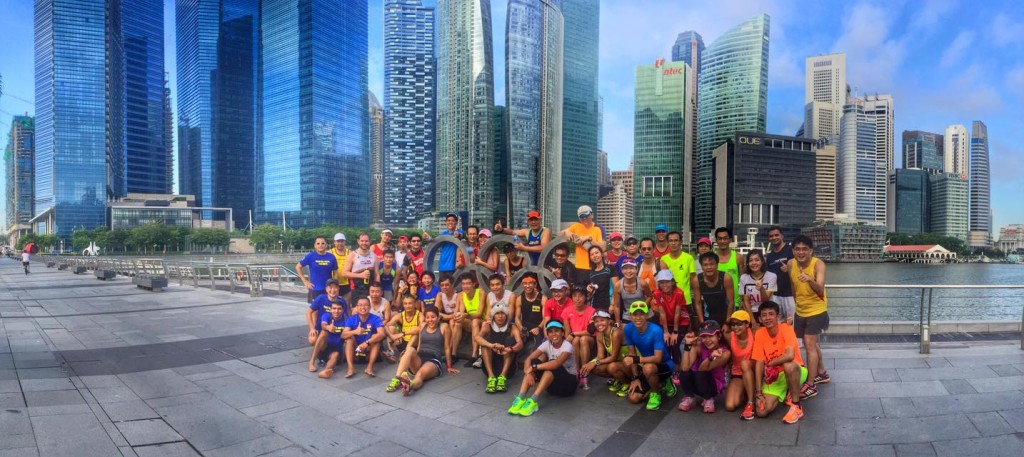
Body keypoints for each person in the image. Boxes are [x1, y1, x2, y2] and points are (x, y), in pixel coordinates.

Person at [788, 235, 830, 399]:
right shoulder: (791, 264)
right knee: (809, 343)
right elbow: (793, 286)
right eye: (797, 249)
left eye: (805, 249)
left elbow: (820, 289)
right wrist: (796, 305)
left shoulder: (818, 264)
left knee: (810, 344)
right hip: (801, 310)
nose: (801, 252)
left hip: (817, 310)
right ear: (793, 251)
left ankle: (811, 384)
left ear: (811, 250)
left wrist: (809, 279)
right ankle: (822, 373)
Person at [507, 321, 578, 416]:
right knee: (534, 362)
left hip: (568, 386)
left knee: (551, 365)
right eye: (551, 331)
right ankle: (520, 398)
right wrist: (528, 373)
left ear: (562, 332)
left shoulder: (567, 346)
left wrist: (534, 368)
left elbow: (557, 363)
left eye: (557, 331)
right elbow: (529, 358)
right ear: (547, 334)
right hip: (552, 387)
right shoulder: (547, 344)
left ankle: (533, 401)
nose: (554, 334)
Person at [752, 301, 807, 424]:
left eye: (771, 314)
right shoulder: (760, 334)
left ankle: (796, 406)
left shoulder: (786, 329)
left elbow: (789, 355)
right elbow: (759, 363)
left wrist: (770, 363)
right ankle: (788, 391)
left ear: (778, 316)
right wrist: (758, 392)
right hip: (775, 377)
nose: (768, 318)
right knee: (762, 411)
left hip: (795, 370)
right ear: (760, 319)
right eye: (764, 315)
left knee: (788, 364)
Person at [386, 307, 460, 395]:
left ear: (438, 317)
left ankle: (410, 385)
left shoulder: (444, 327)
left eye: (433, 317)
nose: (430, 320)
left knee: (420, 375)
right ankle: (397, 379)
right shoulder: (422, 326)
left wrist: (449, 366)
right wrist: (410, 357)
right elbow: (420, 344)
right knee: (409, 349)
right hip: (420, 357)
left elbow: (447, 347)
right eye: (427, 317)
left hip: (433, 360)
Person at [622, 301, 677, 410]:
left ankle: (656, 393)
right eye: (635, 314)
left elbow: (658, 358)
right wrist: (635, 377)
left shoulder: (656, 330)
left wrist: (635, 360)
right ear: (630, 316)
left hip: (665, 364)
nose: (638, 318)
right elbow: (632, 353)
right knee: (633, 398)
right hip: (646, 364)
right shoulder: (627, 329)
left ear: (647, 315)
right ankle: (660, 384)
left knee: (648, 367)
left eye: (641, 314)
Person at [677, 320, 731, 413]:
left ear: (719, 336)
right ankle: (689, 397)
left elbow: (703, 369)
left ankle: (709, 399)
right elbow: (685, 368)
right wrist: (687, 345)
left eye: (710, 336)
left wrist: (710, 357)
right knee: (684, 373)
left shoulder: (725, 353)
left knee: (700, 374)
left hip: (712, 386)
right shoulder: (698, 345)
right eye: (704, 337)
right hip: (697, 381)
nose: (707, 340)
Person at [580, 310, 629, 396]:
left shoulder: (616, 333)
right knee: (592, 368)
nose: (599, 324)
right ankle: (619, 379)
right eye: (596, 321)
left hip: (631, 364)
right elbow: (600, 356)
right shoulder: (599, 335)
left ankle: (627, 383)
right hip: (619, 362)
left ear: (609, 321)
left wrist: (595, 362)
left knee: (611, 367)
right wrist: (589, 364)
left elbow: (613, 357)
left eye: (602, 320)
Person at [477, 302, 523, 393]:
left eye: (502, 313)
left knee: (511, 341)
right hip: (490, 367)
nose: (500, 316)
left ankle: (502, 377)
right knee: (485, 344)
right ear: (494, 315)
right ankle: (491, 378)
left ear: (506, 315)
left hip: (508, 368)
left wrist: (510, 349)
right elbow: (477, 338)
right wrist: (491, 346)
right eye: (497, 313)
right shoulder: (487, 326)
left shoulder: (512, 327)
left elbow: (520, 343)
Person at [651, 269, 689, 376]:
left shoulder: (679, 293)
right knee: (666, 343)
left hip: (681, 321)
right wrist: (666, 332)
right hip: (666, 321)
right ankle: (668, 368)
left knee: (675, 344)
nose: (664, 285)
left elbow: (678, 313)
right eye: (661, 282)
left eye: (667, 281)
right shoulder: (657, 293)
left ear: (672, 281)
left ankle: (677, 369)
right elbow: (662, 313)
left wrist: (675, 332)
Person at [659, 231, 698, 327]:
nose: (673, 243)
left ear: (680, 242)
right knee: (671, 328)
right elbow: (664, 282)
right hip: (670, 301)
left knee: (688, 330)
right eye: (671, 241)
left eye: (676, 240)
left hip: (686, 300)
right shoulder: (663, 259)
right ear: (667, 243)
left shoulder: (688, 258)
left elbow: (693, 280)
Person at [724, 310, 757, 420]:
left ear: (747, 324)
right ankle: (745, 393)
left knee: (744, 363)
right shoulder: (729, 336)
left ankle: (750, 402)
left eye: (739, 323)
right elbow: (714, 340)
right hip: (738, 373)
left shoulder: (755, 333)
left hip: (754, 370)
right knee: (730, 405)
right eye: (733, 324)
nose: (735, 327)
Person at [562, 284, 596, 389]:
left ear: (586, 297)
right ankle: (577, 371)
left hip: (589, 339)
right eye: (575, 295)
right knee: (577, 339)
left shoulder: (592, 311)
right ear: (571, 297)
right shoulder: (567, 311)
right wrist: (572, 335)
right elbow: (568, 333)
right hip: (574, 340)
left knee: (583, 339)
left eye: (581, 295)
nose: (577, 298)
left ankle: (584, 372)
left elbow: (590, 331)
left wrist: (574, 333)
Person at [342, 297, 386, 378]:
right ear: (357, 307)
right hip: (355, 351)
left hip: (368, 350)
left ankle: (369, 367)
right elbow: (343, 335)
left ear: (369, 307)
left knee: (376, 338)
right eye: (360, 305)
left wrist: (366, 343)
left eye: (366, 305)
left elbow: (382, 333)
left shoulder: (375, 318)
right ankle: (351, 368)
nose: (363, 307)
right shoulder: (351, 319)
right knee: (349, 339)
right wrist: (355, 332)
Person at [561, 205, 606, 283]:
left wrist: (589, 238)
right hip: (579, 268)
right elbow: (559, 235)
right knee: (580, 292)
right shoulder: (576, 227)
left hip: (595, 267)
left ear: (592, 215)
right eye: (582, 217)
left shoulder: (598, 228)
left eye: (586, 215)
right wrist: (566, 232)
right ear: (579, 218)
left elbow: (603, 248)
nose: (584, 218)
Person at [693, 252, 735, 327]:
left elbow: (731, 302)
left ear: (717, 265)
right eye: (705, 265)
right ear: (702, 267)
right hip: (708, 315)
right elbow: (698, 303)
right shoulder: (697, 280)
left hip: (725, 315)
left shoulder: (726, 278)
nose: (709, 267)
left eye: (711, 264)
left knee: (727, 336)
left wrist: (727, 323)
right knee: (708, 337)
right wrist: (702, 323)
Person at [765, 226, 796, 324]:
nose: (774, 238)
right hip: (775, 296)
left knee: (792, 324)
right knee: (777, 324)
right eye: (771, 236)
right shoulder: (770, 256)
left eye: (776, 235)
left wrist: (789, 270)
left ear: (782, 236)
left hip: (790, 296)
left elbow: (802, 269)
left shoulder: (791, 250)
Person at [309, 301, 348, 379]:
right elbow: (323, 325)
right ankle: (311, 362)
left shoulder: (346, 319)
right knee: (324, 332)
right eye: (334, 308)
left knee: (335, 355)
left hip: (337, 349)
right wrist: (328, 327)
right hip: (324, 346)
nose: (336, 311)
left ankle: (326, 371)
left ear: (343, 310)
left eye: (339, 309)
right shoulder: (326, 315)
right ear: (330, 309)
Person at [739, 249, 777, 327]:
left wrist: (761, 289)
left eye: (757, 260)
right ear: (748, 263)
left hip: (767, 312)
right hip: (751, 312)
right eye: (751, 260)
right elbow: (746, 302)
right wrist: (753, 321)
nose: (754, 263)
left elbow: (766, 300)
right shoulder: (744, 278)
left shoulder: (771, 276)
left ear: (762, 262)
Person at [455, 274, 486, 368]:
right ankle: (453, 354)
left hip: (481, 321)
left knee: (475, 321)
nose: (466, 286)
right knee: (455, 322)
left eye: (468, 283)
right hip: (470, 320)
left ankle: (474, 355)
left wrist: (466, 315)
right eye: (463, 284)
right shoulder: (461, 295)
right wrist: (458, 316)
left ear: (473, 284)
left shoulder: (480, 293)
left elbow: (480, 314)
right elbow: (460, 311)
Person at [306, 279, 347, 346]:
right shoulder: (320, 298)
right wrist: (312, 328)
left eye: (335, 288)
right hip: (321, 327)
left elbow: (346, 316)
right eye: (330, 288)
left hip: (337, 329)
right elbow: (308, 312)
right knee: (312, 340)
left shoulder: (342, 300)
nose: (333, 290)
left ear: (338, 289)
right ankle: (321, 349)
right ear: (326, 289)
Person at [296, 236, 338, 303]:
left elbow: (335, 272)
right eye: (318, 243)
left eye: (322, 243)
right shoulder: (310, 256)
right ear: (315, 246)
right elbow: (298, 267)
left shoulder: (331, 257)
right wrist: (305, 281)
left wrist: (334, 285)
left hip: (328, 289)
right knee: (314, 311)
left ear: (326, 245)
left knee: (329, 310)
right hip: (315, 289)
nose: (320, 245)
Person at [515, 272, 546, 357]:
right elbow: (517, 318)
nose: (527, 286)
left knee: (537, 349)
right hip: (525, 327)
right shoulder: (519, 299)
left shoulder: (543, 298)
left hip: (538, 327)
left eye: (530, 283)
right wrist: (521, 328)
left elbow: (545, 318)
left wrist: (539, 328)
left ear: (535, 284)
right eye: (525, 283)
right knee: (514, 341)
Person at [714, 227, 745, 309]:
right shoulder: (712, 258)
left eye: (725, 238)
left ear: (730, 240)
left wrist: (743, 300)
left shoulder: (738, 257)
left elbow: (743, 280)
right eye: (719, 239)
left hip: (736, 303)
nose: (722, 241)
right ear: (716, 241)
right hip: (716, 302)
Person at [343, 233, 378, 304]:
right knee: (356, 310)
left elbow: (377, 274)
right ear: (358, 241)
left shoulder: (374, 256)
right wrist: (360, 275)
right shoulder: (352, 255)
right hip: (356, 288)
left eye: (366, 241)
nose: (364, 243)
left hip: (370, 289)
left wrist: (377, 288)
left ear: (370, 242)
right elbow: (344, 273)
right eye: (362, 241)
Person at [425, 212, 463, 278]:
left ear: (456, 223)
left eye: (453, 221)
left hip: (453, 267)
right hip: (442, 266)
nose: (450, 222)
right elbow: (435, 242)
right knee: (443, 286)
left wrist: (458, 235)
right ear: (446, 222)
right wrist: (428, 238)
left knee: (453, 286)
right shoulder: (443, 233)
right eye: (448, 220)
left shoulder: (459, 231)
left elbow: (461, 236)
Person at [586, 245, 615, 318]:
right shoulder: (591, 273)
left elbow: (616, 288)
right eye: (592, 254)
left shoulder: (610, 269)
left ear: (602, 254)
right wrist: (589, 288)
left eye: (596, 253)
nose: (595, 256)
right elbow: (590, 292)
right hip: (595, 306)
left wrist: (612, 305)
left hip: (608, 305)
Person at [613, 259, 645, 324]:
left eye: (631, 268)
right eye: (625, 268)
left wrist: (643, 306)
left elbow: (650, 296)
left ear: (636, 269)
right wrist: (617, 323)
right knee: (621, 333)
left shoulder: (642, 283)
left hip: (643, 314)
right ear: (622, 270)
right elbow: (616, 306)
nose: (628, 271)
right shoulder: (618, 285)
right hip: (628, 315)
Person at [329, 233, 352, 299]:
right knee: (333, 304)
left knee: (346, 304)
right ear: (334, 242)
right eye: (338, 241)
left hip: (347, 283)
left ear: (345, 242)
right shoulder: (330, 253)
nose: (340, 243)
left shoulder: (350, 253)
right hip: (333, 283)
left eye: (342, 241)